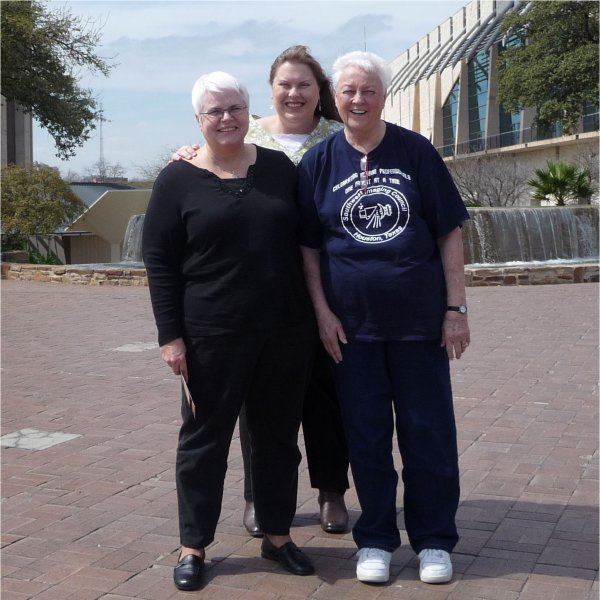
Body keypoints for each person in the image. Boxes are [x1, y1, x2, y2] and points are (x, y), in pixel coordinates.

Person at [296, 51, 470, 586]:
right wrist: (322, 313)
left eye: (367, 90)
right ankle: (374, 539)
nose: (357, 100)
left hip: (420, 327)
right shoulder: (319, 162)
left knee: (428, 436)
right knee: (367, 439)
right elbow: (308, 248)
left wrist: (455, 309)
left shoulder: (415, 152)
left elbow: (449, 232)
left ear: (383, 95)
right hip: (352, 333)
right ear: (336, 98)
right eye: (348, 91)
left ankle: (434, 540)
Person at [143, 71, 316, 591]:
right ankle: (193, 545)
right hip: (209, 335)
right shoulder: (177, 179)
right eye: (215, 111)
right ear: (198, 120)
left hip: (284, 331)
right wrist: (169, 337)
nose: (226, 118)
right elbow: (158, 260)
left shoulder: (280, 169)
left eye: (235, 108)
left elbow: (309, 237)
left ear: (250, 112)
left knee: (278, 439)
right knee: (203, 441)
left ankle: (278, 535)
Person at [172, 46, 350, 537]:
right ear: (270, 91)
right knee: (262, 407)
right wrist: (185, 154)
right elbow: (208, 161)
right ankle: (259, 498)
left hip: (328, 283)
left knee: (325, 394)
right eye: (285, 84)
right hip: (259, 294)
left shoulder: (340, 138)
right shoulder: (245, 131)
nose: (294, 93)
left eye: (305, 85)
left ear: (321, 92)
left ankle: (332, 489)